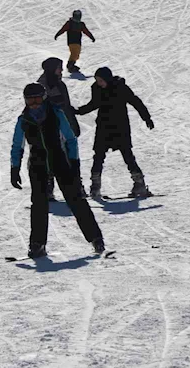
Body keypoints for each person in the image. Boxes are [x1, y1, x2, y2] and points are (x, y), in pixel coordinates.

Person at [11, 83, 105, 258]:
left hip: (59, 161)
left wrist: (74, 162)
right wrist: (14, 168)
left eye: (37, 99)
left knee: (75, 199)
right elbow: (17, 145)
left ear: (44, 97)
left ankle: (96, 238)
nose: (34, 104)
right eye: (30, 101)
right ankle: (37, 244)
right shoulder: (23, 119)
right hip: (37, 164)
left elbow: (70, 139)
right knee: (39, 204)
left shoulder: (55, 113)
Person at [74, 67, 154, 200]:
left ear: (107, 78)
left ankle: (139, 183)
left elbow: (135, 101)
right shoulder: (97, 88)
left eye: (101, 80)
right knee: (98, 155)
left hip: (120, 127)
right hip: (103, 127)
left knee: (127, 155)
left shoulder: (120, 87)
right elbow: (94, 104)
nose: (99, 83)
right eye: (97, 80)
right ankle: (95, 187)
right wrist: (78, 111)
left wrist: (146, 117)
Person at [38, 57, 84, 201]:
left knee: (71, 156)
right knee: (51, 158)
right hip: (49, 128)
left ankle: (76, 187)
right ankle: (48, 189)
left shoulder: (60, 84)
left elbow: (66, 106)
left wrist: (73, 124)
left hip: (64, 127)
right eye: (59, 67)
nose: (62, 70)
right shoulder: (41, 86)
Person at [54, 9, 95, 73]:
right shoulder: (69, 23)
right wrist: (57, 34)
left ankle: (72, 64)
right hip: (71, 41)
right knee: (74, 53)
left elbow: (86, 31)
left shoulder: (81, 24)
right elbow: (63, 29)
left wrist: (91, 37)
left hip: (78, 41)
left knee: (77, 54)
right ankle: (70, 65)